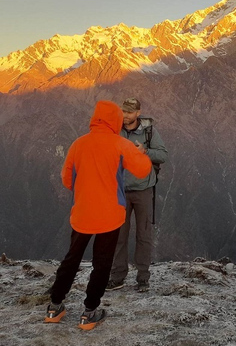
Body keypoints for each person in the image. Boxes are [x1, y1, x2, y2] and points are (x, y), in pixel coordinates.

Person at [44, 100, 152, 330]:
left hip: (82, 213)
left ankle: (54, 307)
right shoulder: (121, 144)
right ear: (114, 120)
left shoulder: (78, 144)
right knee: (101, 264)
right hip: (109, 216)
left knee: (71, 259)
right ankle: (89, 313)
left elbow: (66, 179)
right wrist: (140, 153)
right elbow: (143, 170)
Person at [106, 97, 168, 292]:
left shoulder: (149, 132)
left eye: (130, 112)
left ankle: (143, 278)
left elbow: (163, 155)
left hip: (143, 190)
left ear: (138, 113)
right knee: (119, 236)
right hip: (120, 191)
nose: (126, 116)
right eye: (123, 112)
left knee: (143, 235)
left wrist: (145, 151)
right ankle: (118, 276)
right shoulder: (114, 130)